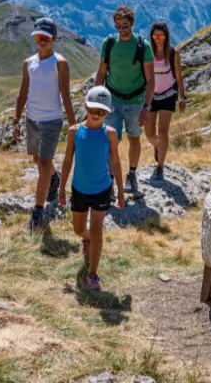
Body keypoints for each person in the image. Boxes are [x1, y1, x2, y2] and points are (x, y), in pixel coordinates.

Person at [58, 86, 125, 292]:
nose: (96, 115)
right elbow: (68, 160)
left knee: (97, 230)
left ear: (107, 113)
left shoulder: (110, 134)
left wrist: (121, 191)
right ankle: (86, 239)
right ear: (86, 106)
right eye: (93, 109)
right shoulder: (74, 132)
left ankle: (93, 274)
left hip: (102, 189)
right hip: (79, 189)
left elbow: (115, 162)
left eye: (101, 112)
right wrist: (61, 188)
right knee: (79, 229)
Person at [13, 17, 77, 233]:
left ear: (54, 39)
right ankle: (54, 176)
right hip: (31, 119)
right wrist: (16, 120)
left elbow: (66, 96)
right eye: (38, 37)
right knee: (38, 159)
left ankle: (38, 212)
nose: (42, 41)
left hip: (52, 121)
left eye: (46, 38)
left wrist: (73, 125)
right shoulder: (28, 63)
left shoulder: (60, 63)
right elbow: (23, 93)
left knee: (42, 166)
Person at [95, 6, 154, 196]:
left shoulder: (142, 46)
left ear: (132, 24)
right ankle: (110, 180)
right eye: (118, 26)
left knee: (134, 138)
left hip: (136, 101)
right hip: (112, 99)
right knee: (111, 140)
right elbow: (102, 71)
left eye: (125, 26)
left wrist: (147, 106)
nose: (121, 29)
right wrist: (97, 99)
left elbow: (151, 79)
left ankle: (132, 174)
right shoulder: (109, 43)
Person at [144, 22, 186, 182]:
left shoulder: (173, 53)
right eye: (155, 36)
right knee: (149, 133)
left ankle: (160, 166)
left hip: (169, 95)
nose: (158, 39)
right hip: (151, 95)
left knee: (163, 132)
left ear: (166, 36)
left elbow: (179, 77)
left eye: (161, 36)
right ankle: (157, 146)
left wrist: (183, 98)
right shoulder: (148, 53)